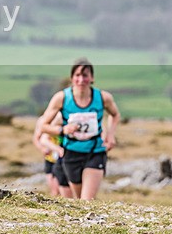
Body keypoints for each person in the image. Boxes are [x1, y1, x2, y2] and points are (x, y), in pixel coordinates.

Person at [38, 58, 121, 200]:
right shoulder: (62, 98)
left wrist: (111, 136)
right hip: (71, 153)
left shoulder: (103, 97)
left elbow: (115, 115)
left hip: (95, 151)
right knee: (78, 200)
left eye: (85, 75)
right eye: (77, 75)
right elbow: (43, 126)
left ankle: (91, 219)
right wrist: (63, 130)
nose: (81, 80)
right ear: (72, 78)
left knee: (87, 200)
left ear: (92, 78)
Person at [32, 112, 73, 198]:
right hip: (50, 159)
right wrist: (43, 149)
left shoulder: (68, 120)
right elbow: (38, 138)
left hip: (65, 159)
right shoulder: (43, 121)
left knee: (64, 189)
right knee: (54, 191)